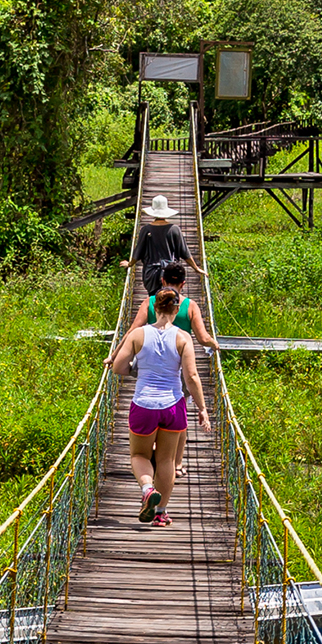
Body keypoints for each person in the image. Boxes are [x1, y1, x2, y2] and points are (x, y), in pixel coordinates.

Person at [107, 282, 209, 527]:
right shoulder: (183, 337)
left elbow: (118, 367)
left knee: (139, 454)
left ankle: (146, 489)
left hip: (144, 404)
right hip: (173, 405)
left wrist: (137, 370)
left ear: (154, 308)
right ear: (176, 311)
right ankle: (161, 513)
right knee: (166, 460)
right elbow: (192, 377)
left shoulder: (137, 335)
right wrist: (203, 409)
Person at [127, 259, 219, 355]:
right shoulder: (191, 306)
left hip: (153, 359)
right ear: (183, 284)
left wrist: (113, 357)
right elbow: (203, 338)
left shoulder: (149, 302)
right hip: (179, 362)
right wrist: (214, 344)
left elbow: (131, 332)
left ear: (163, 281)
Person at [127, 195, 192, 285]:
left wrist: (129, 264)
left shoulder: (146, 229)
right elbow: (185, 253)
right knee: (170, 297)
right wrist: (197, 268)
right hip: (170, 273)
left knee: (154, 297)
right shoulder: (174, 229)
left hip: (151, 273)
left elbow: (138, 252)